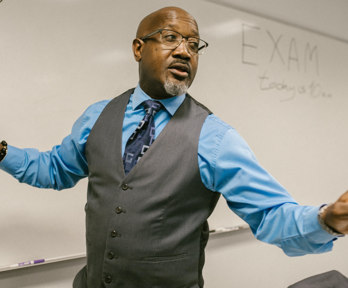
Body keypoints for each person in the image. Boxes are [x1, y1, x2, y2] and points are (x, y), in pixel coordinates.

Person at [0, 6, 347, 288]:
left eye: (194, 45)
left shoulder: (215, 138)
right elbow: (53, 170)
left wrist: (325, 219)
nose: (184, 51)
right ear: (138, 48)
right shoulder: (97, 116)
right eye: (170, 38)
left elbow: (270, 213)